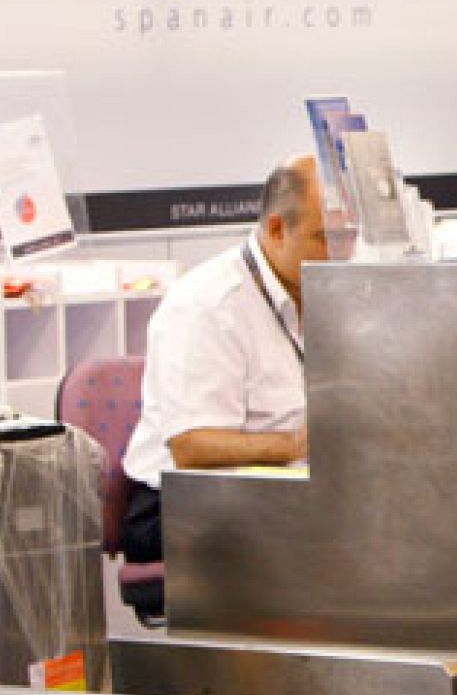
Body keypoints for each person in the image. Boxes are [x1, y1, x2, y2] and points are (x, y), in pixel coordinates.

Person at [121, 156, 336, 568]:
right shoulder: (208, 305)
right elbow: (192, 446)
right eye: (325, 239)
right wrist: (297, 443)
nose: (340, 256)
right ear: (277, 229)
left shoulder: (318, 292)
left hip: (281, 491)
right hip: (182, 508)